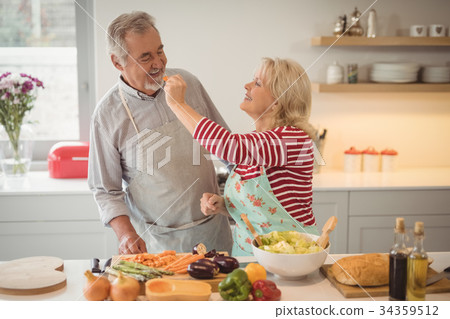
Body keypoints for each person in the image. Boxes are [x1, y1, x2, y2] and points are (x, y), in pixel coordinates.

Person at [88, 11, 233, 255]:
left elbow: (228, 149)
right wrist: (126, 235)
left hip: (213, 234)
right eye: (145, 57)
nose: (158, 63)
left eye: (160, 51)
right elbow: (106, 191)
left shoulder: (188, 83)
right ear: (117, 62)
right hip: (158, 244)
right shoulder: (106, 115)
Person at [164, 57, 319, 256]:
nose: (247, 86)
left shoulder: (293, 138)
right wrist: (227, 206)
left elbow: (228, 146)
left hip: (293, 258)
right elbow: (263, 214)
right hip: (249, 259)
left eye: (257, 83)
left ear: (278, 101)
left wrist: (178, 104)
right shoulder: (257, 143)